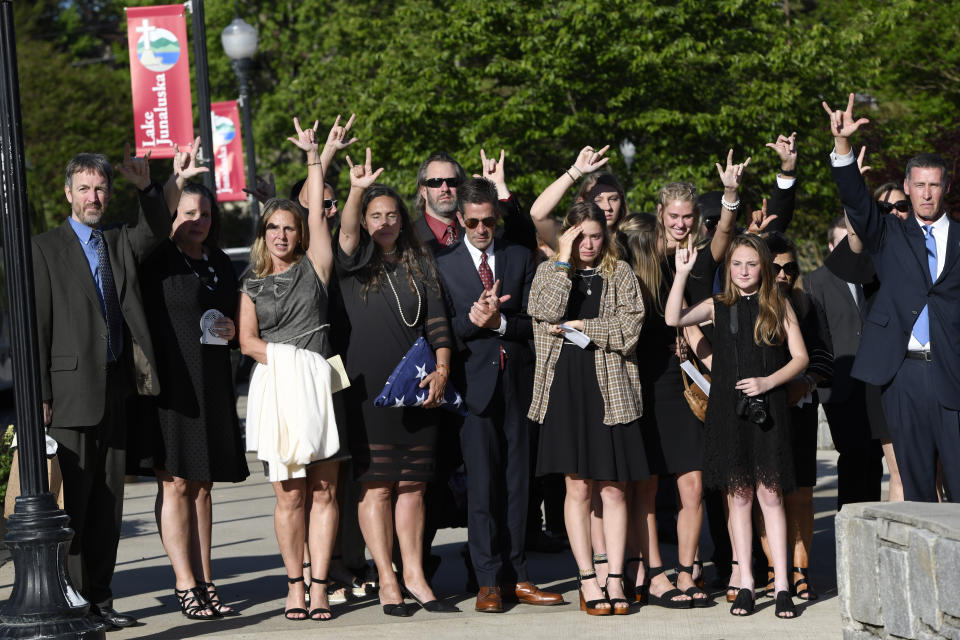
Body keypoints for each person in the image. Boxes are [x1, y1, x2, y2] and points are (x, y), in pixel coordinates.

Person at [32, 145, 171, 628]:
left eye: (100, 189)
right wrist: (40, 393)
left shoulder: (116, 243)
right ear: (68, 193)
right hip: (68, 397)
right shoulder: (44, 248)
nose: (93, 196)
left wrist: (147, 188)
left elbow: (155, 228)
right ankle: (72, 604)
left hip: (116, 389)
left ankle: (101, 599)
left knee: (109, 504)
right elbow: (38, 326)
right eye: (85, 188)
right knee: (73, 504)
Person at [238, 116, 354, 621]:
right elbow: (246, 342)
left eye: (291, 227)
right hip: (281, 390)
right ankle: (294, 585)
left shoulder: (317, 264)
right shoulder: (252, 285)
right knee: (290, 497)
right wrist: (288, 363)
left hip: (320, 386)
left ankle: (322, 584)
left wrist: (315, 158)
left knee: (326, 490)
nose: (283, 234)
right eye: (274, 228)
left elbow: (317, 211)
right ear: (264, 234)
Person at [337, 147, 458, 617]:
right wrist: (356, 190)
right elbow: (344, 231)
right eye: (375, 215)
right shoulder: (353, 263)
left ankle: (415, 575)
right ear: (366, 222)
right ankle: (386, 577)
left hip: (420, 390)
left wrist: (443, 370)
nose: (384, 222)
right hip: (369, 393)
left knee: (413, 486)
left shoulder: (420, 261)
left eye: (391, 214)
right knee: (377, 487)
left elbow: (439, 324)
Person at [823, 93, 960, 502]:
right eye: (918, 185)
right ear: (906, 187)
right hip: (902, 374)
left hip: (952, 371)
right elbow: (856, 201)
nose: (926, 194)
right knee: (915, 488)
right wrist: (843, 147)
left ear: (946, 187)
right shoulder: (890, 233)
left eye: (934, 185)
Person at [436, 177, 564, 613]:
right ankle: (488, 580)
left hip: (518, 385)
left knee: (518, 485)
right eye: (472, 222)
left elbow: (537, 322)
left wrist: (501, 325)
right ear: (460, 219)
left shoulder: (516, 257)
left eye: (489, 220)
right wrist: (474, 323)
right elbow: (438, 334)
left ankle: (519, 575)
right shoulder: (443, 264)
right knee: (481, 487)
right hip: (473, 389)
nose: (481, 228)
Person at [666, 234, 808, 619]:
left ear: (763, 267)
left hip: (769, 410)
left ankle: (781, 586)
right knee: (739, 498)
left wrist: (768, 382)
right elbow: (673, 319)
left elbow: (800, 358)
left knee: (771, 497)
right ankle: (745, 581)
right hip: (729, 412)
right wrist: (680, 274)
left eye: (751, 264)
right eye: (736, 264)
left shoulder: (778, 305)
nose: (743, 271)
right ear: (729, 269)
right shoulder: (718, 305)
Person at [137, 163, 250, 619]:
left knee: (204, 487)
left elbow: (237, 322)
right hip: (170, 387)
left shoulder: (221, 262)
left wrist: (232, 332)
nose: (197, 220)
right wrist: (173, 182)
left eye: (204, 212)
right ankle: (184, 582)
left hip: (212, 383)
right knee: (177, 482)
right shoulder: (158, 258)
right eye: (187, 212)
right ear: (173, 216)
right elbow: (150, 219)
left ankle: (206, 578)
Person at [528, 200, 647, 617]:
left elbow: (630, 328)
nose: (589, 244)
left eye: (596, 235)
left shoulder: (621, 272)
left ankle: (615, 575)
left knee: (613, 487)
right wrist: (562, 261)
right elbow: (543, 312)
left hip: (610, 387)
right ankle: (586, 576)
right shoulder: (548, 272)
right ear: (567, 235)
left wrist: (584, 328)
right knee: (577, 487)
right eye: (580, 236)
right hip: (563, 386)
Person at [758, 231, 833, 602]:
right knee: (768, 493)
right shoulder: (749, 306)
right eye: (776, 268)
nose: (784, 274)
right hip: (762, 413)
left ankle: (800, 569)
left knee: (802, 494)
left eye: (790, 267)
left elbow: (823, 353)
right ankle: (775, 570)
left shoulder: (806, 303)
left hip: (801, 408)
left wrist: (805, 382)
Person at [805, 216, 886, 506]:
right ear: (830, 245)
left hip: (874, 382)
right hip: (840, 386)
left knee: (875, 456)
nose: (850, 248)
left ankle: (872, 521)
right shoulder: (815, 281)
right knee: (853, 454)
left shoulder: (872, 276)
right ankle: (850, 524)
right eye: (842, 241)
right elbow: (816, 336)